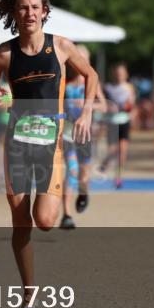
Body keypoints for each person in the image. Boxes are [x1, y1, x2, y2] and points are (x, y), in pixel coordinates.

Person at [0, 0, 98, 308]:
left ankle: (61, 199)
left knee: (44, 221)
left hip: (51, 145)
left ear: (45, 11)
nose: (29, 13)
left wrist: (86, 111)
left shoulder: (61, 48)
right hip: (16, 144)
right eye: (23, 8)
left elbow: (90, 75)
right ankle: (28, 296)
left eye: (34, 8)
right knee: (20, 223)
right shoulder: (4, 54)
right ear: (15, 13)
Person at [61, 44, 107, 228]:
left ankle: (83, 192)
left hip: (85, 133)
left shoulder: (92, 83)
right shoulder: (65, 83)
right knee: (71, 170)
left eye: (82, 58)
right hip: (67, 132)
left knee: (83, 173)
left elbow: (104, 106)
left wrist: (87, 105)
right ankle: (66, 215)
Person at [101, 63, 136, 189]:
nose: (119, 75)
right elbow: (103, 104)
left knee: (122, 151)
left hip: (124, 121)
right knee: (112, 150)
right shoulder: (108, 87)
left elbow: (132, 105)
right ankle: (105, 163)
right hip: (112, 122)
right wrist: (110, 107)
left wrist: (131, 111)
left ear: (126, 74)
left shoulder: (129, 87)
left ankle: (119, 177)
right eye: (117, 73)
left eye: (122, 73)